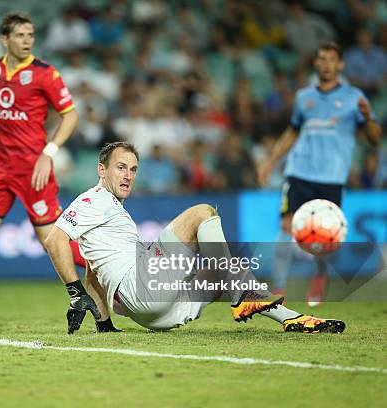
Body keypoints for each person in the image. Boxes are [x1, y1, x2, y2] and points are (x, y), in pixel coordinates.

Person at [44, 142, 346, 334]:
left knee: (229, 271)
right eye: (120, 168)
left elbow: (94, 273)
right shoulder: (93, 200)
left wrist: (104, 325)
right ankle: (245, 297)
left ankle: (292, 319)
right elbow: (55, 240)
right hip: (141, 290)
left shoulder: (110, 212)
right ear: (102, 170)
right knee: (203, 212)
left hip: (149, 315)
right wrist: (74, 294)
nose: (128, 175)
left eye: (133, 169)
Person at [0, 12, 85, 325]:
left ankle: (104, 267)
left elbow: (71, 116)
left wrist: (49, 153)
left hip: (34, 169)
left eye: (31, 35)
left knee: (52, 242)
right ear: (4, 39)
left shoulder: (45, 74)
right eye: (21, 35)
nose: (27, 41)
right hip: (0, 168)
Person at [258, 42, 381, 306]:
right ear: (316, 63)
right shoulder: (304, 97)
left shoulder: (354, 97)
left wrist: (369, 117)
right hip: (299, 172)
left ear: (340, 65)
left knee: (324, 236)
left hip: (331, 177)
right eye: (321, 58)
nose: (325, 64)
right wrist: (270, 161)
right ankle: (278, 290)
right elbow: (292, 131)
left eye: (331, 59)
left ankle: (320, 278)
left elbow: (374, 140)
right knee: (286, 226)